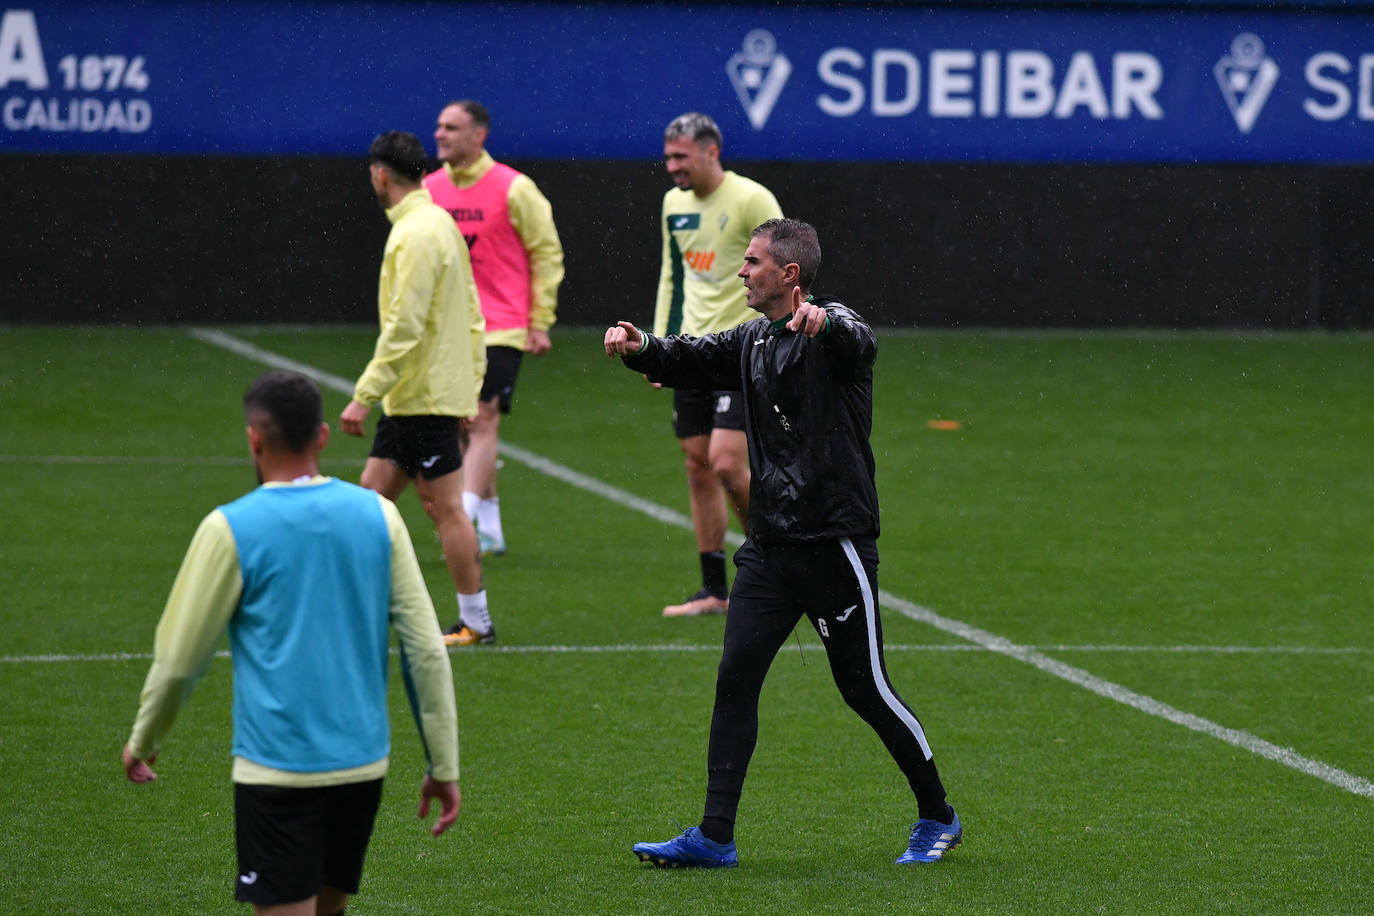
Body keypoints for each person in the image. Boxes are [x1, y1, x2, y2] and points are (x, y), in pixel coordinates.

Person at [605, 218, 961, 868]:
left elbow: (860, 341)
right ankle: (715, 836)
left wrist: (825, 324)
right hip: (769, 548)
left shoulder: (832, 331)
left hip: (834, 543)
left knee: (865, 689)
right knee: (735, 678)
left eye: (754, 262)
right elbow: (692, 358)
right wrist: (642, 346)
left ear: (789, 275)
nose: (742, 271)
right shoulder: (751, 340)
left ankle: (939, 815)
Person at [121, 370, 461, 915]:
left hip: (278, 772)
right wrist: (443, 765)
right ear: (323, 437)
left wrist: (144, 737)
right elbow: (424, 650)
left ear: (254, 439)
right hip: (361, 768)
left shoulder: (229, 528)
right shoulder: (380, 516)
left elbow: (181, 660)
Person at [342, 129, 496, 647]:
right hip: (421, 394)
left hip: (422, 398)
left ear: (381, 174)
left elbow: (404, 327)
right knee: (368, 502)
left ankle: (476, 621)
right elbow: (473, 312)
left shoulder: (415, 235)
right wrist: (470, 382)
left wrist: (364, 394)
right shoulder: (439, 224)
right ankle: (361, 609)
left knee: (444, 508)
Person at [652, 112, 783, 617]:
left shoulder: (752, 199)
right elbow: (673, 275)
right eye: (668, 157)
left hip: (741, 350)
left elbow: (785, 265)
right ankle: (714, 590)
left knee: (728, 461)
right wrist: (659, 347)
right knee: (698, 465)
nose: (672, 167)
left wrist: (779, 336)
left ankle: (775, 559)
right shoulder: (672, 203)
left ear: (712, 152)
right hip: (692, 350)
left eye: (681, 156)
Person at [426, 100, 565, 557]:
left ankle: (461, 520)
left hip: (500, 326)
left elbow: (546, 253)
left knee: (482, 418)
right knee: (461, 426)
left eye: (452, 128)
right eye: (439, 127)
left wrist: (539, 320)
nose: (440, 134)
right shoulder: (428, 190)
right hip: (447, 328)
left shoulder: (514, 188)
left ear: (478, 136)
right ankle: (490, 528)